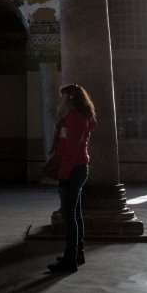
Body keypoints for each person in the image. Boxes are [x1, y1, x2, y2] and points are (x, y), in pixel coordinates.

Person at [47, 84, 96, 273]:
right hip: (77, 169)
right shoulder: (76, 117)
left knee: (69, 217)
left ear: (70, 98)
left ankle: (70, 260)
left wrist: (63, 174)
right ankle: (77, 253)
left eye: (63, 97)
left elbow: (71, 150)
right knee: (75, 214)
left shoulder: (75, 118)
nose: (60, 101)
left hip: (73, 170)